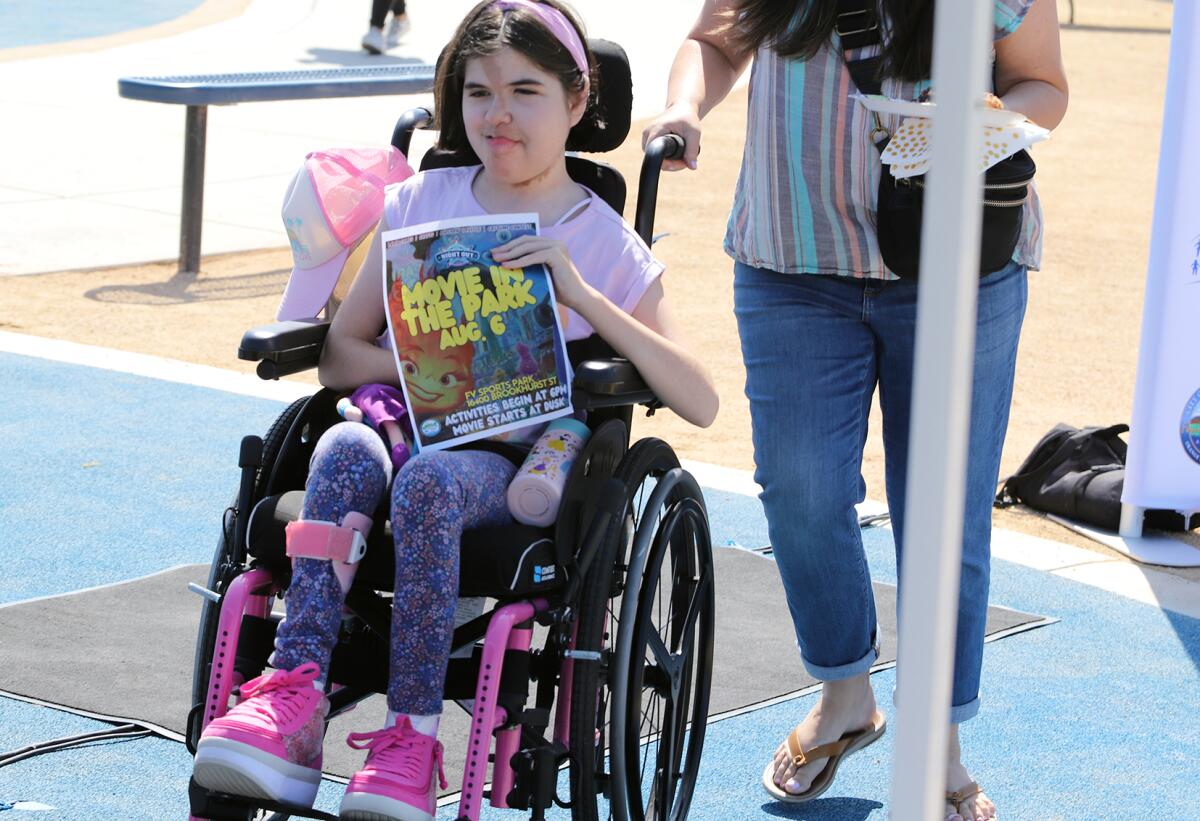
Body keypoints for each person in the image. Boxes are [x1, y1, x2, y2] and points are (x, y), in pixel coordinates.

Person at [192, 2, 719, 820]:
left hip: (505, 466)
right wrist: (439, 378)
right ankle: (292, 698)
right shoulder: (417, 204)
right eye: (477, 93)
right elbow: (340, 353)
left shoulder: (605, 241)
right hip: (405, 426)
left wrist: (579, 294)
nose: (497, 114)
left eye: (525, 90)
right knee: (338, 446)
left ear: (578, 101)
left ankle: (410, 738)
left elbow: (700, 397)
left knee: (431, 483)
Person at [642, 1, 1067, 819]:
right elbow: (716, 41)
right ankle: (845, 696)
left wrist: (983, 126)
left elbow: (1042, 84)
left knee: (945, 517)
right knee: (799, 490)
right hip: (792, 257)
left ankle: (937, 744)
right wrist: (683, 106)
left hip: (961, 259)